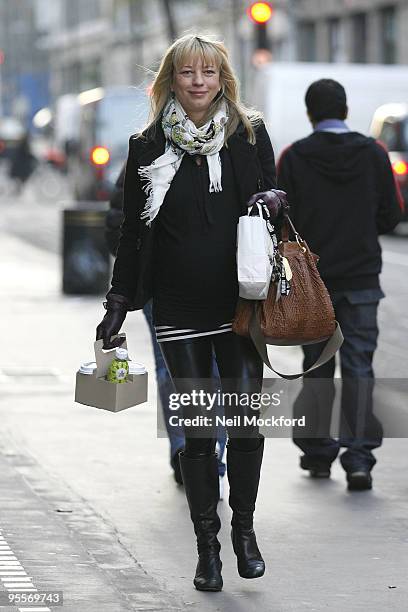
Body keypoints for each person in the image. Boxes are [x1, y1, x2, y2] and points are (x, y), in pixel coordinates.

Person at [96, 34, 283, 592]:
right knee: (200, 433)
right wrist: (118, 303)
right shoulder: (146, 144)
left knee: (247, 424)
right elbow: (133, 233)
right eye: (186, 72)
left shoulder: (250, 135)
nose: (197, 81)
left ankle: (244, 533)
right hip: (177, 305)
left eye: (208, 71)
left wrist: (274, 201)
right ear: (170, 80)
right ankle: (207, 549)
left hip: (241, 303)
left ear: (222, 77)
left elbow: (272, 204)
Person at [277, 79, 404, 491]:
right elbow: (391, 215)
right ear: (346, 110)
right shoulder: (374, 153)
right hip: (363, 280)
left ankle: (316, 453)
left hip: (313, 284)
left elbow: (281, 222)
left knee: (316, 368)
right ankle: (359, 458)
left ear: (311, 113)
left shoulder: (294, 157)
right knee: (359, 367)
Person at [105, 165, 227, 489]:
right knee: (213, 368)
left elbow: (116, 227)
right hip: (174, 287)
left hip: (163, 285)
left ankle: (186, 447)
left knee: (169, 368)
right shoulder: (214, 158)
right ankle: (208, 449)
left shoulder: (146, 154)